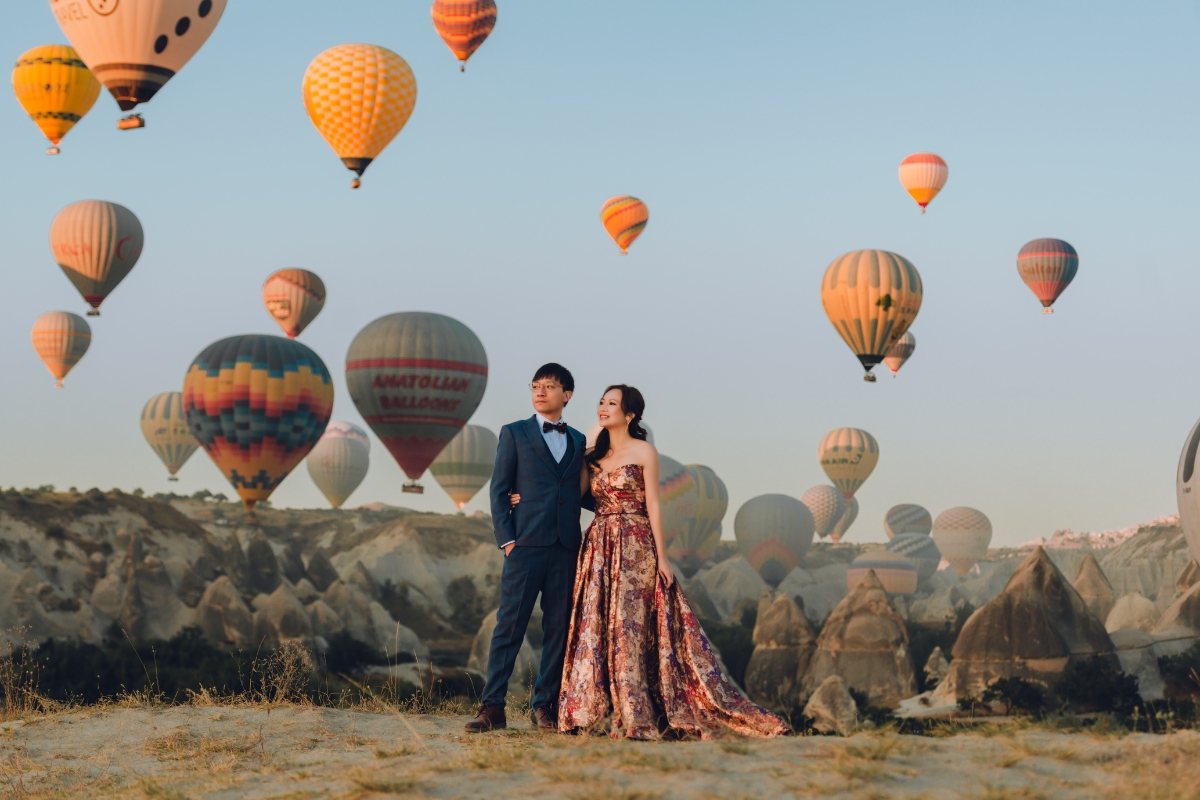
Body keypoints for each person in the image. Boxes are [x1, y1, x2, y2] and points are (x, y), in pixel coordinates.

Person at [513, 384, 789, 739]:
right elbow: (568, 493)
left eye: (611, 403)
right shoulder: (591, 456)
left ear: (629, 415)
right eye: (601, 402)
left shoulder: (645, 451)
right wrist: (523, 496)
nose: (602, 408)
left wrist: (663, 557)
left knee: (631, 625)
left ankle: (635, 709)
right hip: (598, 544)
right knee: (595, 624)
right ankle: (590, 709)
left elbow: (654, 506)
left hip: (636, 545)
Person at [465, 363, 590, 734]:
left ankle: (544, 707)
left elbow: (577, 492)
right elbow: (499, 489)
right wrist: (508, 541)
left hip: (566, 547)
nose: (540, 391)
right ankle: (492, 707)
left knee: (558, 629)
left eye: (549, 386)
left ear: (566, 395)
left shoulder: (580, 440)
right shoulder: (514, 433)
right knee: (509, 626)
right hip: (524, 546)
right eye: (536, 385)